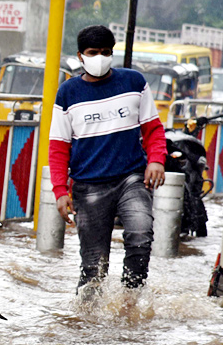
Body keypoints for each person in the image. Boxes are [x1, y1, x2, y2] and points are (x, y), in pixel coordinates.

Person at [48, 25, 166, 296]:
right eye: (93, 52)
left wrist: (156, 160)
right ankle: (86, 319)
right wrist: (59, 192)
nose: (99, 57)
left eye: (105, 52)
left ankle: (129, 302)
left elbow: (153, 129)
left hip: (131, 179)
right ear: (80, 56)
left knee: (140, 235)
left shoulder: (133, 83)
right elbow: (58, 148)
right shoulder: (68, 94)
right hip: (88, 187)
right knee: (93, 265)